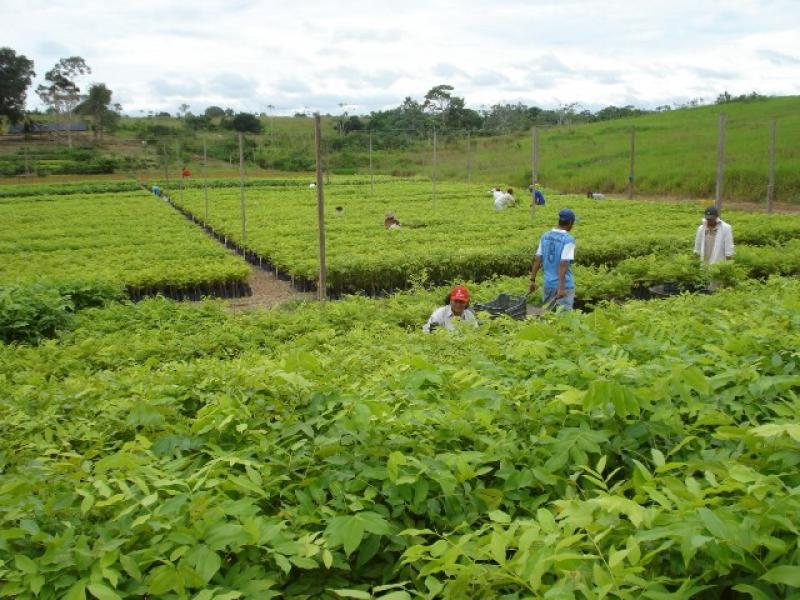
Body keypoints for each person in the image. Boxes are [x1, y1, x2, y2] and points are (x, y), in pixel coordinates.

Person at [528, 208, 577, 311]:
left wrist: (532, 280)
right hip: (564, 286)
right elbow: (563, 264)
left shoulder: (545, 236)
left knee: (549, 317)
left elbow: (538, 258)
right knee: (564, 319)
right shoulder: (569, 239)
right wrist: (561, 288)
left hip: (548, 284)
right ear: (570, 223)